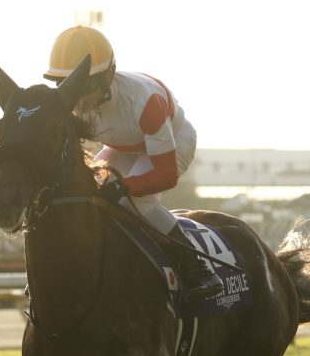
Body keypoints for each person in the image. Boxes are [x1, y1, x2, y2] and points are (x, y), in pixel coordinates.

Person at [43, 26, 223, 300]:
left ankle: (196, 266)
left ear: (107, 76)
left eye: (84, 85)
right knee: (87, 191)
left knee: (136, 202)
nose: (77, 98)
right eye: (66, 85)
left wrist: (125, 186)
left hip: (173, 142)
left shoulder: (144, 101)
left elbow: (165, 174)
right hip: (121, 147)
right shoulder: (72, 104)